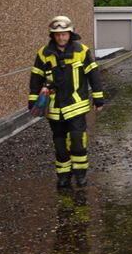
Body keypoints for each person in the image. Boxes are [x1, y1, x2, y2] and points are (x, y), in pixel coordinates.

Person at [29, 16, 105, 189]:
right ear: (52, 35)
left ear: (70, 33)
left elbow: (93, 75)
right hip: (55, 108)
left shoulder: (81, 51)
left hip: (76, 106)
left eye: (64, 34)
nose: (61, 38)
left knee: (78, 141)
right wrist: (33, 100)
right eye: (57, 35)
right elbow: (35, 79)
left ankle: (80, 175)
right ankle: (63, 176)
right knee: (60, 145)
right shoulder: (44, 53)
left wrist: (98, 98)